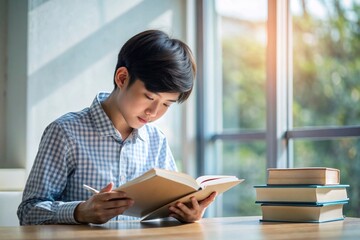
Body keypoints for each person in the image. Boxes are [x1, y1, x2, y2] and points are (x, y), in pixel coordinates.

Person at [17, 30, 217, 225]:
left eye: (166, 104)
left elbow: (169, 209)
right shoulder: (65, 132)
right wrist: (80, 212)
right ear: (122, 78)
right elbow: (28, 212)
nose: (154, 112)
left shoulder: (156, 140)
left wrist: (187, 214)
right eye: (149, 97)